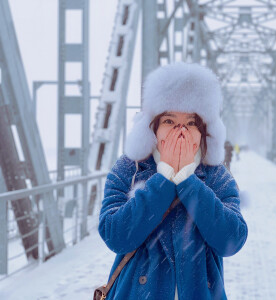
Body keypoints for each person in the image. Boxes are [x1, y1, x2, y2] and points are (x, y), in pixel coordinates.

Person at [98, 62, 248, 299]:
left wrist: (188, 181)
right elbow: (116, 236)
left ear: (203, 132)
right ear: (153, 128)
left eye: (191, 123)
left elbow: (231, 240)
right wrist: (165, 178)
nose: (181, 131)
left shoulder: (216, 176)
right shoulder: (129, 168)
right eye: (169, 121)